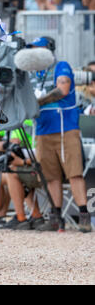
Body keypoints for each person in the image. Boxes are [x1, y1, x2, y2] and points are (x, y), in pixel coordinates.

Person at [29, 36, 92, 232]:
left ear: (49, 50)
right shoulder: (31, 73)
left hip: (66, 128)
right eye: (32, 49)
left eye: (37, 49)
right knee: (50, 176)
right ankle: (56, 217)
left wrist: (36, 103)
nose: (34, 53)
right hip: (42, 130)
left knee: (74, 173)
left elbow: (63, 89)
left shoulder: (61, 65)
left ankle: (83, 215)